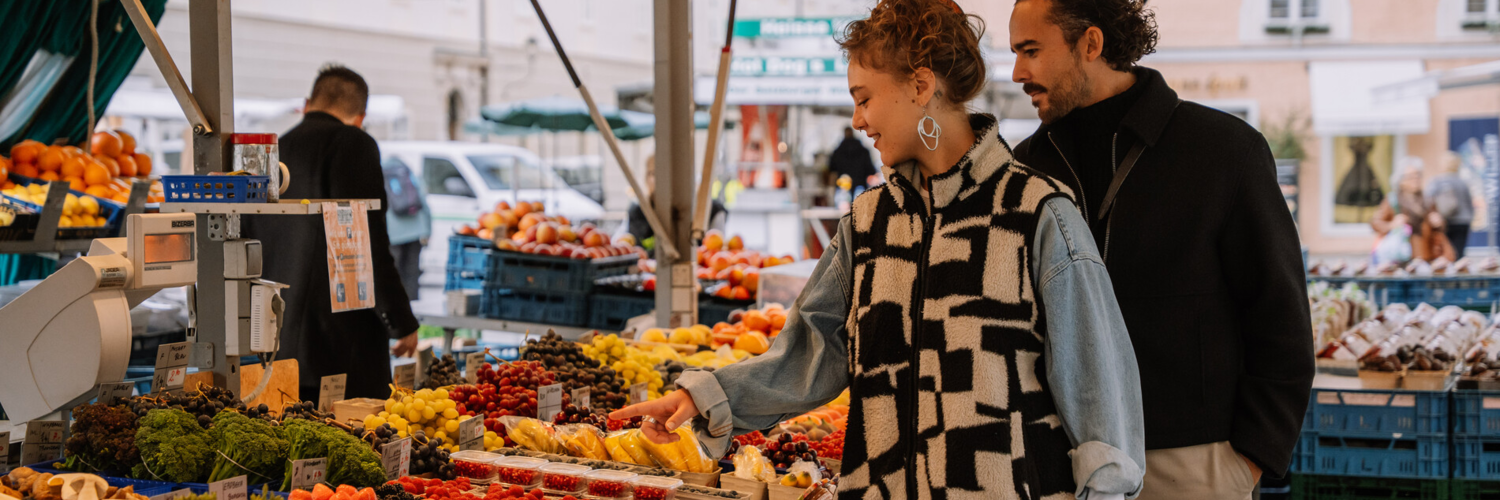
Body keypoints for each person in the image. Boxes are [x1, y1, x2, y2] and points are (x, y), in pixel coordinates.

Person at [612, 1, 1145, 499]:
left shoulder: (1036, 213)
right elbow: (811, 352)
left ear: (920, 86)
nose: (858, 121)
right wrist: (701, 398)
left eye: (864, 98)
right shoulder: (867, 223)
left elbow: (1102, 405)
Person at [1006, 0, 1314, 498]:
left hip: (1192, 465)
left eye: (1031, 50)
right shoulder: (1023, 168)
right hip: (1058, 461)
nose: (1017, 71)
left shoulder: (1224, 150)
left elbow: (1280, 317)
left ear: (1090, 44)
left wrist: (1251, 460)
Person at [242, 64, 420, 402]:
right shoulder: (355, 144)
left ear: (308, 103)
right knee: (351, 442)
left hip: (277, 341)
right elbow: (366, 239)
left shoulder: (272, 152)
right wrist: (400, 320)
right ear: (361, 115)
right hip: (340, 343)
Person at [620, 154, 726, 250]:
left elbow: (715, 251)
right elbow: (625, 245)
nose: (659, 180)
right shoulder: (638, 211)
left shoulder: (711, 210)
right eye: (652, 173)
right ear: (646, 178)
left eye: (664, 173)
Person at [1372, 158, 1455, 263]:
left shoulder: (1428, 199)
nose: (1416, 179)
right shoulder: (1393, 200)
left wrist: (1438, 222)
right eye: (1411, 176)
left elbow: (1440, 228)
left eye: (1418, 175)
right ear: (1401, 180)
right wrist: (1392, 224)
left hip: (1427, 254)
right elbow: (1375, 223)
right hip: (1400, 256)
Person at [383, 156, 431, 299]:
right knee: (412, 272)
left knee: (393, 272)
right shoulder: (409, 174)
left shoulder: (380, 176)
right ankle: (412, 307)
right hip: (416, 232)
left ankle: (394, 305)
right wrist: (427, 231)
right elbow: (424, 204)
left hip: (393, 234)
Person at [1426, 152, 1473, 258]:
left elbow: (1427, 200)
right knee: (1459, 251)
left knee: (1445, 252)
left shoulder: (1436, 181)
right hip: (1463, 221)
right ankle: (1459, 270)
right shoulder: (1462, 182)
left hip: (1444, 221)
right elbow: (1469, 203)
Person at [828, 126, 878, 191]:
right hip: (860, 185)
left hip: (843, 186)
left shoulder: (837, 152)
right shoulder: (863, 151)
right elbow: (871, 170)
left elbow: (832, 169)